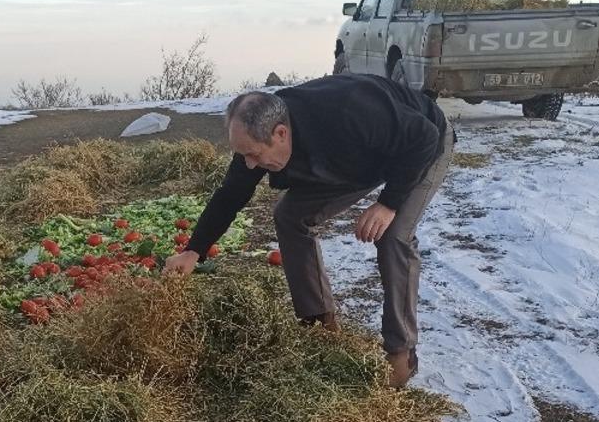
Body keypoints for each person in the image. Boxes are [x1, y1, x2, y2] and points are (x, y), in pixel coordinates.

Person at [162, 73, 454, 387]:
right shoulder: (255, 140)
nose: (248, 164)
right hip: (353, 161)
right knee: (289, 216)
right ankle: (319, 324)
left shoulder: (349, 110)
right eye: (243, 154)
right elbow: (231, 194)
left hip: (421, 147)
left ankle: (401, 352)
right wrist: (195, 249)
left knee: (394, 235)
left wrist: (388, 203)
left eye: (253, 155)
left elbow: (422, 137)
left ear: (281, 133)